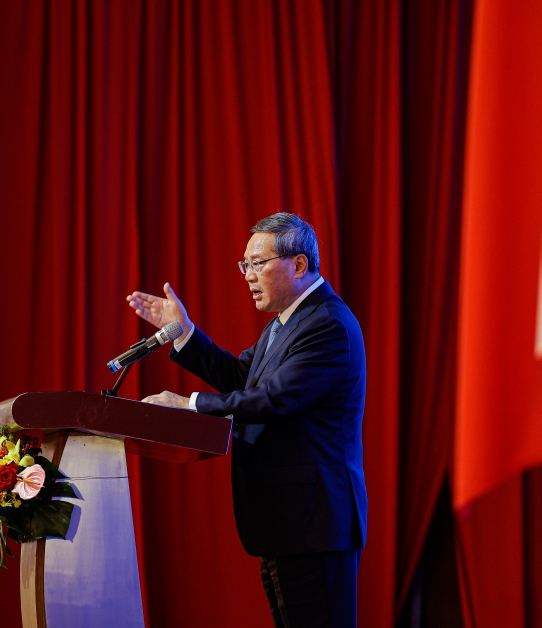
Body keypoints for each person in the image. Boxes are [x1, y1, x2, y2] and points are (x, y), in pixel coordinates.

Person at [127, 212, 367, 628]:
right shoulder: (285, 323)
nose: (248, 276)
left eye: (258, 263)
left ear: (298, 265)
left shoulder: (326, 324)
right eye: (245, 265)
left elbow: (274, 400)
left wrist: (189, 405)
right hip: (286, 522)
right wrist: (183, 332)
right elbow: (242, 379)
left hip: (313, 526)